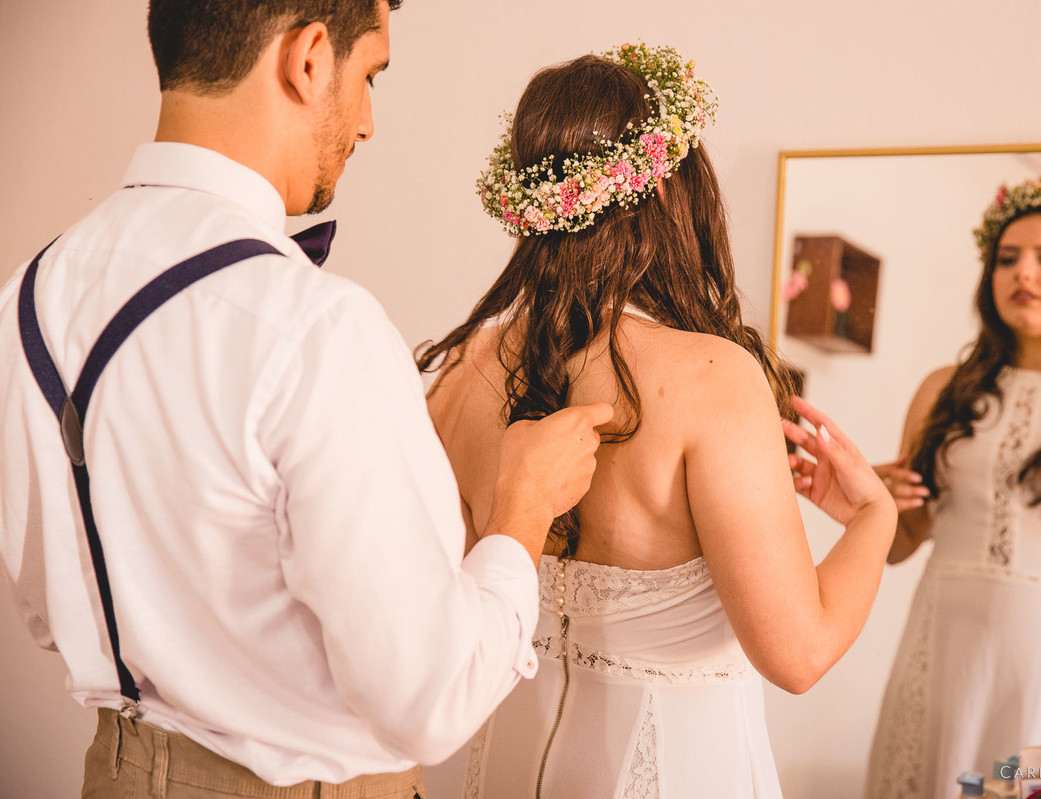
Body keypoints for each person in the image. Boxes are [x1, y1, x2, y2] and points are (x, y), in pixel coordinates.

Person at [0, 1, 613, 796]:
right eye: (369, 77)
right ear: (310, 57)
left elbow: (52, 608)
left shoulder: (25, 300)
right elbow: (431, 700)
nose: (366, 123)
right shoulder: (316, 327)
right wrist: (521, 511)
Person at [416, 44, 898, 798]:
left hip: (490, 763)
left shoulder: (464, 370)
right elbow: (799, 654)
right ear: (673, 193)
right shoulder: (712, 378)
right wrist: (875, 514)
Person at [864, 177, 1041, 799]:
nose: (1024, 273)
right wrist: (879, 506)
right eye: (1007, 258)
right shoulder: (945, 390)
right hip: (944, 636)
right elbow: (898, 546)